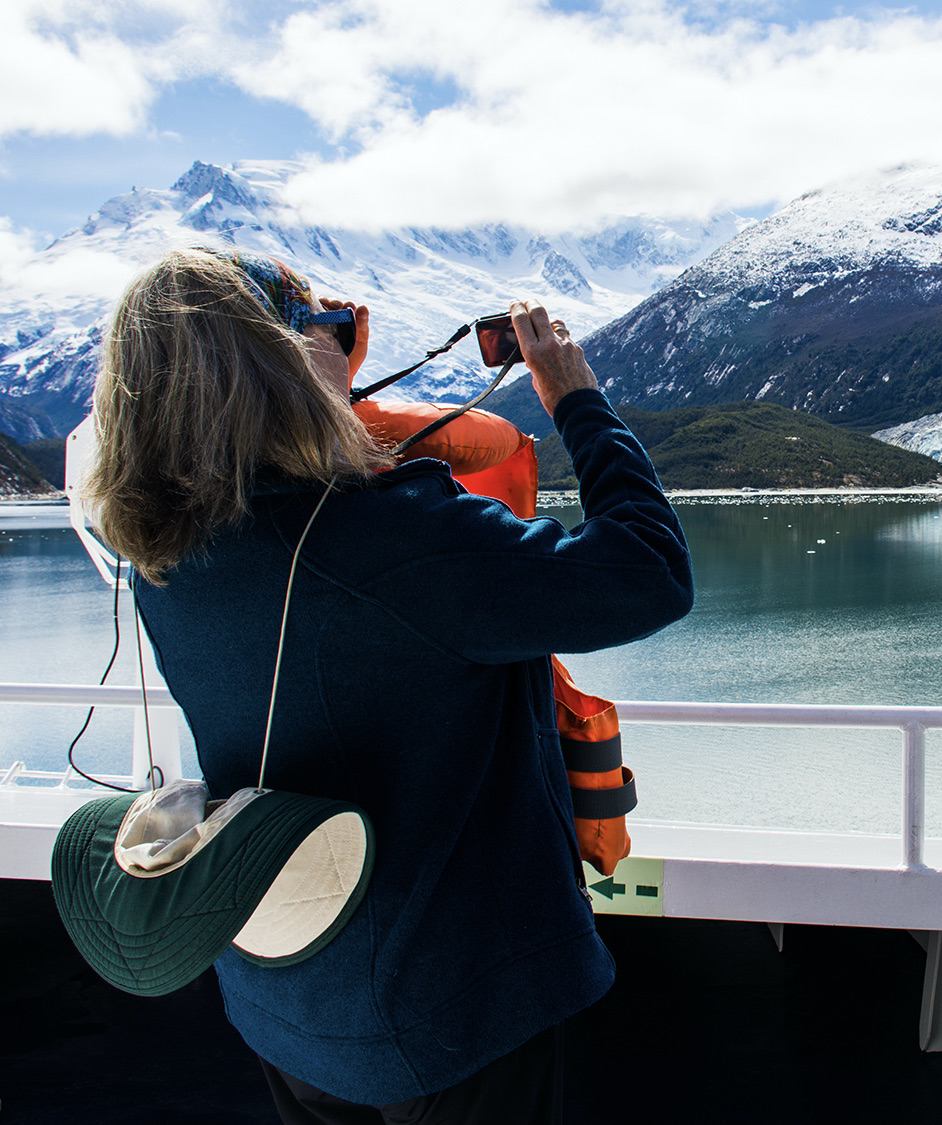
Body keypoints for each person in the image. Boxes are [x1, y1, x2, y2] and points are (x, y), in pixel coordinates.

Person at [83, 247, 694, 1124]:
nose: (352, 349)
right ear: (280, 363)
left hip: (282, 979)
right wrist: (578, 401)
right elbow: (649, 571)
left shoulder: (163, 556)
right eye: (333, 330)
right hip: (455, 1001)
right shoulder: (395, 537)